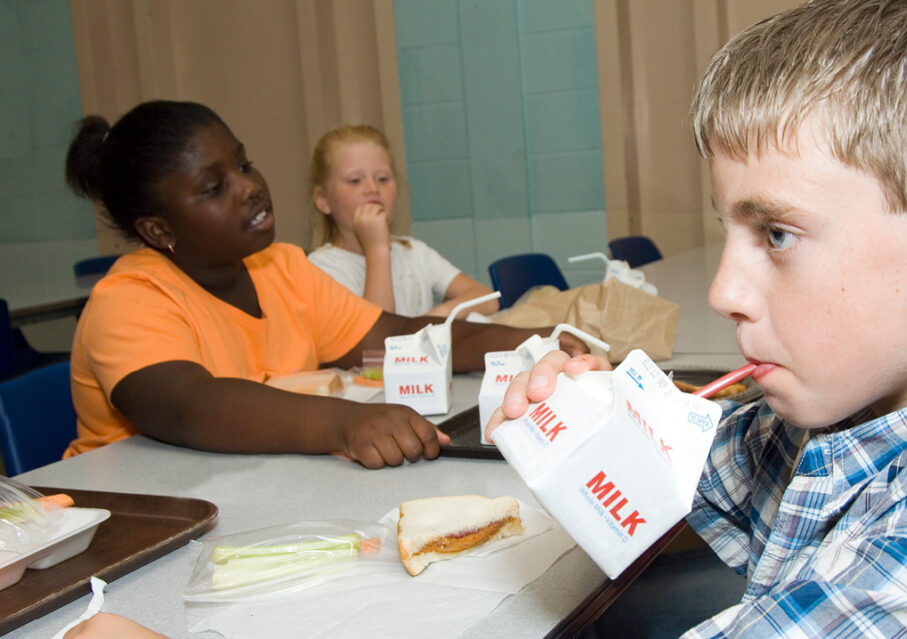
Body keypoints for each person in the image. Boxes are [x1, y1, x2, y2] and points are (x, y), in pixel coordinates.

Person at [488, 0, 907, 635]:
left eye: (777, 235)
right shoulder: (863, 398)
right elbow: (693, 472)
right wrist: (594, 415)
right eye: (730, 230)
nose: (723, 292)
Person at [63, 100, 584, 468]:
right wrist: (343, 424)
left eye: (244, 163)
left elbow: (399, 336)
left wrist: (542, 340)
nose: (250, 188)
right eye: (215, 187)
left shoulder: (283, 268)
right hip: (139, 519)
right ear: (159, 229)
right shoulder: (129, 300)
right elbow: (187, 406)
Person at [307, 124, 498, 319]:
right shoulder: (320, 268)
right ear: (323, 201)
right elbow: (377, 339)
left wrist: (428, 322)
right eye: (355, 180)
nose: (372, 188)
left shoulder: (414, 252)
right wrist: (377, 250)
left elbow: (487, 299)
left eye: (382, 179)